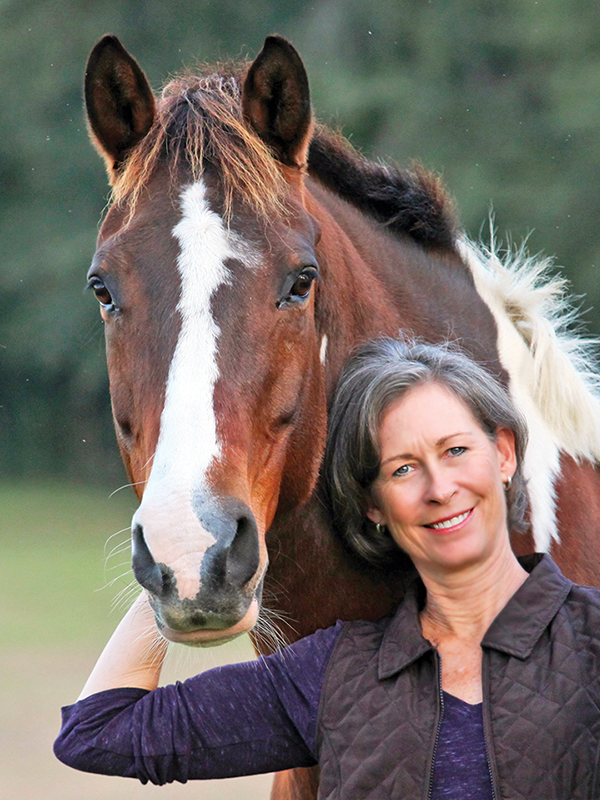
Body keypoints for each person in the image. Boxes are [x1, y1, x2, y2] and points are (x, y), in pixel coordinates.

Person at [54, 338, 600, 798]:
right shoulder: (334, 673)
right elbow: (98, 731)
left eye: (456, 451)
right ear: (373, 505)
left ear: (503, 453)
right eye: (402, 469)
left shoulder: (591, 640)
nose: (440, 488)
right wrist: (183, 547)